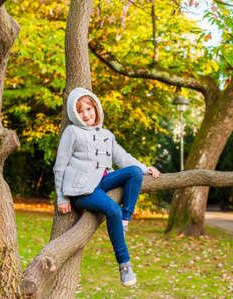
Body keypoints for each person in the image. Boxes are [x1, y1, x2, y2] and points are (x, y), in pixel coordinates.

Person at [53, 87, 161, 287]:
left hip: (102, 180)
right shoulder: (72, 132)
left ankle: (125, 219)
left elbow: (123, 158)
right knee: (112, 209)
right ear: (74, 114)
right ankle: (124, 264)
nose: (86, 114)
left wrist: (146, 168)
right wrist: (62, 198)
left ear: (96, 108)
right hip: (82, 189)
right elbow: (60, 166)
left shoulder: (106, 135)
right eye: (81, 111)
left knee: (134, 172)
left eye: (89, 109)